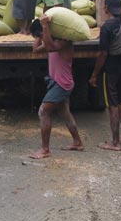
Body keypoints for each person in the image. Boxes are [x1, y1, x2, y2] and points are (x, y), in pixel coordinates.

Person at [29, 15, 84, 159]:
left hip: (62, 84)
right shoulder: (52, 41)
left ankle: (45, 149)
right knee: (65, 112)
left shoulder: (64, 42)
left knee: (43, 111)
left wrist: (45, 27)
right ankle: (77, 142)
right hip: (57, 82)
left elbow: (51, 47)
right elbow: (35, 49)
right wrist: (39, 33)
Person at [89, 0, 121, 151]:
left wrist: (95, 74)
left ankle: (115, 142)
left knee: (112, 105)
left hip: (110, 71)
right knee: (120, 103)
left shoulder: (107, 27)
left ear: (106, 8)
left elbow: (103, 54)